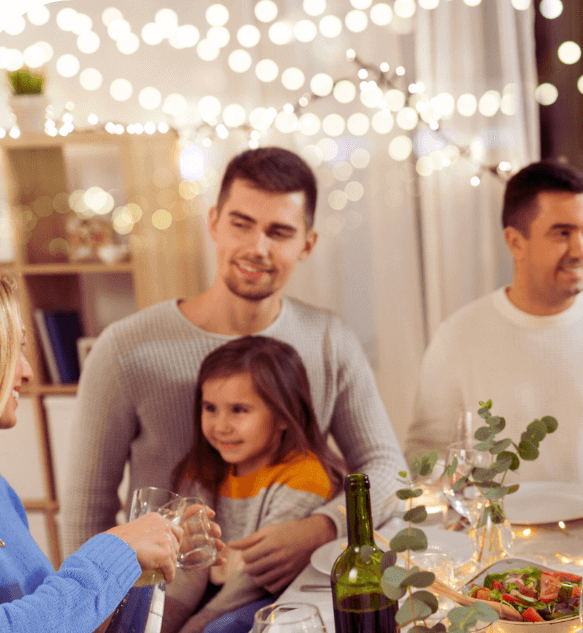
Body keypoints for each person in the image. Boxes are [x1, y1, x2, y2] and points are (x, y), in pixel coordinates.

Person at [62, 146, 404, 591]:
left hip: (291, 597)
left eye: (279, 232)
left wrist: (322, 527)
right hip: (161, 607)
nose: (256, 248)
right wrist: (116, 625)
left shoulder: (328, 339)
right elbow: (87, 510)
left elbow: (387, 471)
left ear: (307, 244)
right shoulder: (125, 349)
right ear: (214, 223)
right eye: (241, 224)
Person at [90, 336, 345, 633]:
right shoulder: (203, 470)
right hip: (217, 585)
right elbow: (192, 563)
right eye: (211, 409)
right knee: (126, 605)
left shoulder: (304, 476)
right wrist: (165, 628)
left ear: (283, 416)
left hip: (271, 593)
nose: (221, 425)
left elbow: (251, 576)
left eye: (239, 411)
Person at [0, 275, 180, 633]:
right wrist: (117, 551)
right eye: (14, 348)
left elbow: (48, 627)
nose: (26, 371)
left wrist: (141, 577)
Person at [404, 160, 583, 484]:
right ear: (516, 243)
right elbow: (424, 455)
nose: (582, 250)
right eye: (562, 234)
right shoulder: (457, 336)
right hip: (497, 533)